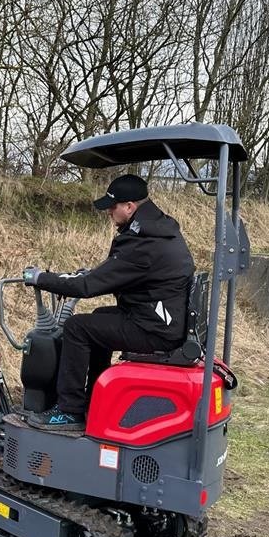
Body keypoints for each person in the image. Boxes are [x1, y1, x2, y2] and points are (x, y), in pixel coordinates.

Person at [22, 174, 195, 431]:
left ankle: (69, 411)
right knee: (99, 317)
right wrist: (89, 275)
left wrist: (40, 278)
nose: (109, 212)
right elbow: (119, 274)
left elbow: (88, 287)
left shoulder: (142, 242)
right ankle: (93, 398)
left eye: (113, 207)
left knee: (77, 327)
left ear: (129, 206)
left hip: (155, 330)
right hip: (161, 319)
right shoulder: (157, 230)